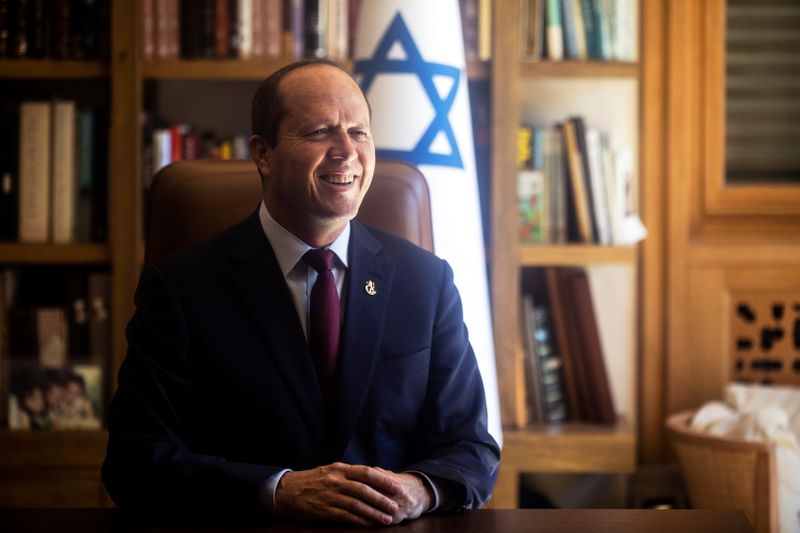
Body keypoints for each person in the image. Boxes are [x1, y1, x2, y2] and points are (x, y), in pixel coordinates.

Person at [102, 59, 500, 526]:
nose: (347, 152)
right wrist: (278, 489)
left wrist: (419, 490)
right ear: (263, 154)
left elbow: (472, 449)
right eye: (319, 132)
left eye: (359, 132)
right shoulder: (180, 287)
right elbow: (134, 461)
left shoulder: (426, 281)